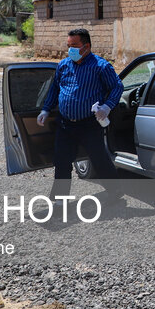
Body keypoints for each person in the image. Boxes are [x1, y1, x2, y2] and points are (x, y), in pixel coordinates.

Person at [37, 28, 124, 195]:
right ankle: (59, 200)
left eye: (74, 46)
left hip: (89, 125)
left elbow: (117, 86)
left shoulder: (100, 66)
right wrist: (46, 109)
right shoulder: (63, 65)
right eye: (69, 46)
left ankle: (115, 191)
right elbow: (55, 88)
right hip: (65, 124)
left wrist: (107, 107)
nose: (71, 50)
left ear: (86, 46)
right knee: (61, 161)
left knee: (99, 159)